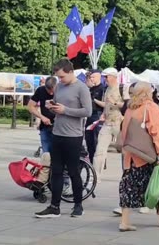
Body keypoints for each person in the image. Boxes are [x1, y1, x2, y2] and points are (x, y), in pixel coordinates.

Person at [35, 58, 92, 218]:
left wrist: (65, 110)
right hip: (57, 133)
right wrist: (52, 107)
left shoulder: (82, 88)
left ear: (70, 72)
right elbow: (59, 109)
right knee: (56, 171)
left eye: (62, 76)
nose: (60, 80)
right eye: (58, 77)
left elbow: (87, 111)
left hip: (73, 136)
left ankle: (78, 205)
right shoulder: (59, 87)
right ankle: (54, 206)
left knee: (73, 171)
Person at [118, 81, 159, 231]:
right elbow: (157, 132)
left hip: (130, 154)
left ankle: (124, 221)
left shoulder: (130, 108)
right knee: (157, 185)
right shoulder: (151, 108)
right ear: (147, 92)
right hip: (146, 155)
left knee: (127, 186)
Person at [93, 68, 124, 184]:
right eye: (104, 77)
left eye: (106, 77)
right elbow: (106, 104)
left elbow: (127, 105)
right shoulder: (107, 89)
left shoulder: (122, 88)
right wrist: (103, 113)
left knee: (124, 150)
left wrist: (115, 103)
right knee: (99, 150)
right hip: (107, 123)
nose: (104, 79)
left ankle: (126, 175)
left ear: (113, 76)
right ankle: (96, 176)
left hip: (118, 123)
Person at [28, 76, 57, 153]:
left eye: (52, 91)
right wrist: (42, 117)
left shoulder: (62, 91)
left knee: (56, 153)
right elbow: (30, 106)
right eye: (48, 91)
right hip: (45, 126)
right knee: (46, 154)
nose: (51, 93)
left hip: (58, 127)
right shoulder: (40, 90)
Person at [84, 69, 105, 163]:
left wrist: (94, 99)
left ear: (98, 77)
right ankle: (91, 160)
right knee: (89, 140)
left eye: (93, 77)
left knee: (96, 141)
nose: (91, 79)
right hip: (89, 115)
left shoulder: (103, 89)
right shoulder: (90, 89)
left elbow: (105, 104)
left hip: (98, 115)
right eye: (90, 77)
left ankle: (98, 162)